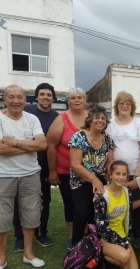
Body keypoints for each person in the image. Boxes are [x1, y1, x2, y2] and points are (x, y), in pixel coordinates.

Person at [0, 85, 47, 269]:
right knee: (1, 217)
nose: (15, 101)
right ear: (4, 99)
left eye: (19, 97)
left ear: (25, 99)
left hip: (30, 174)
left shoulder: (32, 119)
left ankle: (28, 254)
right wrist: (30, 146)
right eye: (11, 97)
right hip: (2, 175)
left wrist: (14, 142)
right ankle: (1, 259)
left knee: (31, 214)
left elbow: (43, 144)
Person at [12, 83, 59, 252]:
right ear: (36, 97)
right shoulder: (26, 112)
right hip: (22, 166)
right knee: (20, 202)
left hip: (44, 167)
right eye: (42, 94)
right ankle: (20, 237)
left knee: (43, 202)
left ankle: (41, 233)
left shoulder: (56, 117)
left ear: (53, 98)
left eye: (49, 95)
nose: (45, 97)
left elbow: (55, 144)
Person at [106, 91, 140, 248]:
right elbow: (108, 147)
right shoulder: (110, 124)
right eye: (121, 103)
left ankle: (137, 234)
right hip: (116, 173)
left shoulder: (138, 123)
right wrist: (111, 171)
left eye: (128, 104)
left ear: (132, 106)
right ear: (117, 106)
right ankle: (117, 233)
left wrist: (138, 169)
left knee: (135, 204)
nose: (124, 106)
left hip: (134, 173)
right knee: (117, 204)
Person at [47, 87, 89, 249]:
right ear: (68, 101)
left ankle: (86, 232)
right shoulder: (61, 119)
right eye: (73, 98)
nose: (77, 100)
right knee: (70, 204)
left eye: (80, 97)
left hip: (88, 172)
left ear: (85, 100)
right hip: (66, 172)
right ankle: (72, 235)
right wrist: (52, 171)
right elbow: (51, 146)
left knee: (87, 204)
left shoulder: (91, 117)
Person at [69, 105, 114, 245]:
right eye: (97, 117)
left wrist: (112, 179)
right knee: (82, 213)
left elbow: (109, 163)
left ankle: (93, 243)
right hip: (80, 179)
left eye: (103, 119)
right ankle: (76, 245)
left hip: (100, 179)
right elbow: (75, 165)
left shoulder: (108, 140)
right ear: (89, 120)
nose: (100, 120)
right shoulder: (79, 137)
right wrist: (94, 179)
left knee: (97, 214)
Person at [94, 161, 138, 269]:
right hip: (104, 238)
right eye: (117, 174)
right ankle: (101, 257)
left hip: (121, 234)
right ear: (111, 175)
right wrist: (124, 244)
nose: (121, 177)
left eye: (124, 174)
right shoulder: (101, 196)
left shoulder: (127, 192)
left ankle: (117, 256)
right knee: (124, 257)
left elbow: (129, 219)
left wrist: (125, 239)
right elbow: (102, 228)